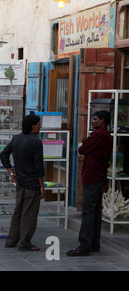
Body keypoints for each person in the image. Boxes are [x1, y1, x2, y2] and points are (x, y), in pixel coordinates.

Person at [67, 110, 113, 257]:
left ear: (103, 121)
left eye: (95, 119)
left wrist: (85, 141)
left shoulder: (98, 135)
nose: (92, 121)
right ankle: (94, 243)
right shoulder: (107, 136)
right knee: (95, 212)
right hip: (99, 176)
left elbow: (82, 150)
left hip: (92, 177)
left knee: (88, 211)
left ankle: (84, 245)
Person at [0, 114, 45, 252]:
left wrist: (11, 172)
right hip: (32, 183)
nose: (40, 126)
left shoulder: (17, 139)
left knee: (18, 212)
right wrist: (42, 186)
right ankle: (24, 242)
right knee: (29, 214)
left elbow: (3, 154)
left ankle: (12, 240)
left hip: (20, 181)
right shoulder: (36, 142)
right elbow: (38, 167)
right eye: (38, 124)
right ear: (33, 126)